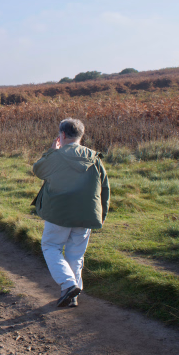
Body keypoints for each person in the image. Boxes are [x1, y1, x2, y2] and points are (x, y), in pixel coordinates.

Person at [32, 118, 110, 308]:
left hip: (59, 212)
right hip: (86, 214)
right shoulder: (94, 158)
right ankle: (72, 294)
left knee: (51, 247)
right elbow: (105, 189)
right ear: (81, 135)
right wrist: (101, 215)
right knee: (76, 256)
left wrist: (51, 151)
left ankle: (68, 285)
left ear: (63, 135)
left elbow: (38, 169)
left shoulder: (56, 156)